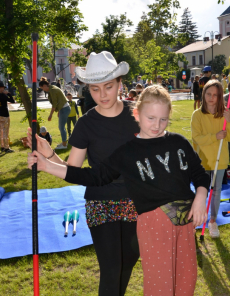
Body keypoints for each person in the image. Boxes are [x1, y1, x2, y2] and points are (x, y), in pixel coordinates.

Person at [28, 84, 210, 296]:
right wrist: (47, 164)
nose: (156, 126)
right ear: (137, 115)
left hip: (186, 223)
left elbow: (200, 174)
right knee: (160, 285)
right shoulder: (127, 153)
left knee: (186, 280)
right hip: (153, 224)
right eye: (150, 118)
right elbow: (94, 176)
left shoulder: (179, 142)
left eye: (163, 119)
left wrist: (200, 197)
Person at [27, 51, 140, 296]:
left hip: (138, 202)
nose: (102, 95)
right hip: (101, 202)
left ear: (120, 82)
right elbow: (74, 170)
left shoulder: (139, 115)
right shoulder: (85, 123)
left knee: (127, 265)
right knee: (111, 268)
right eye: (95, 89)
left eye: (108, 87)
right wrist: (48, 155)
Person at [191, 79, 230, 238]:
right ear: (203, 95)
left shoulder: (224, 115)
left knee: (216, 192)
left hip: (220, 161)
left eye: (215, 95)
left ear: (219, 97)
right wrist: (214, 136)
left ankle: (213, 221)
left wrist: (229, 122)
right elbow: (196, 137)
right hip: (202, 162)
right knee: (200, 192)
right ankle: (197, 219)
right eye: (208, 94)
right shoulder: (197, 115)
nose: (211, 98)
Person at [39, 76, 70, 149]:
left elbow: (54, 104)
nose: (43, 90)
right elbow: (59, 100)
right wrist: (59, 111)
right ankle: (63, 143)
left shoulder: (52, 90)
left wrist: (50, 115)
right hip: (64, 108)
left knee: (61, 127)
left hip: (64, 109)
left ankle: (64, 145)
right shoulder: (52, 88)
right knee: (61, 127)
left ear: (44, 86)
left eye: (42, 88)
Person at [0, 81, 15, 153]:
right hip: (5, 115)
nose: (3, 89)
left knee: (1, 131)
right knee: (5, 132)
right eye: (2, 87)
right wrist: (8, 94)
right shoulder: (3, 96)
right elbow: (12, 101)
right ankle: (6, 148)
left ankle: (2, 146)